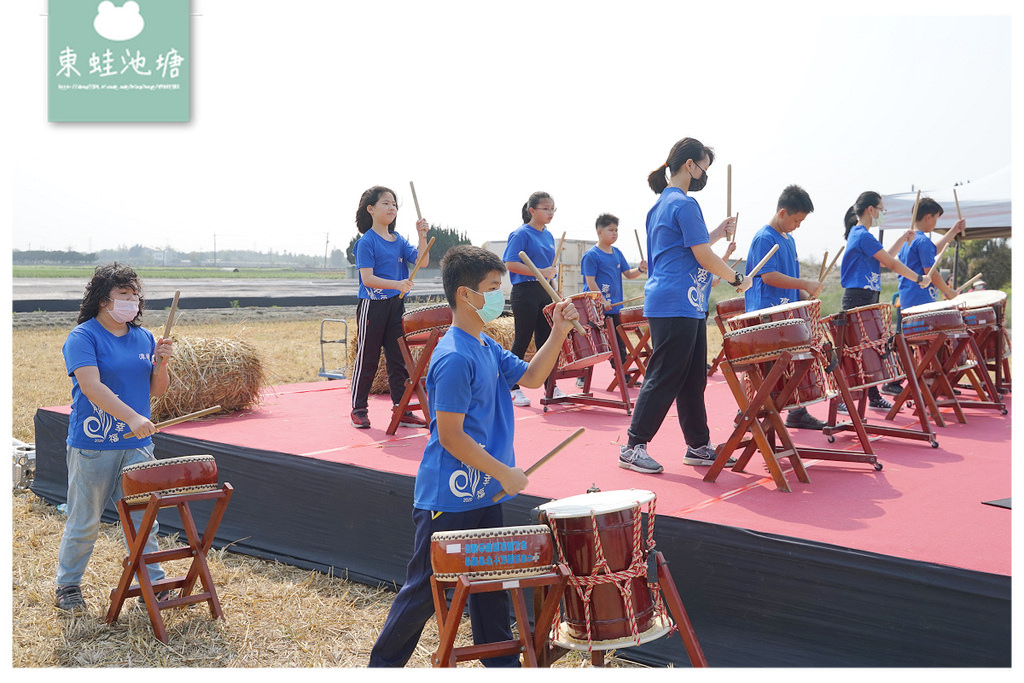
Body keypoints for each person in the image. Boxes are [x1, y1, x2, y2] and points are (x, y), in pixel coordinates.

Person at [368, 245, 579, 667]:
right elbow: (450, 436)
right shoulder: (453, 356)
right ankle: (381, 669)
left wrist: (557, 332)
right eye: (493, 288)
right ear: (466, 295)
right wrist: (506, 472)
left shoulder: (485, 345)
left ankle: (499, 665)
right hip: (449, 498)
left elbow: (534, 377)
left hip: (486, 494)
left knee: (492, 588)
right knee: (424, 594)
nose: (500, 297)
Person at [617, 137, 751, 474]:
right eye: (704, 168)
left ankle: (698, 445)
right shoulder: (685, 204)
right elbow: (701, 254)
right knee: (665, 375)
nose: (704, 175)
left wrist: (717, 233)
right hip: (677, 301)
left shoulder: (662, 204)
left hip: (682, 302)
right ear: (689, 165)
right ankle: (633, 446)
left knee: (693, 378)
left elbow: (683, 246)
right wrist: (736, 279)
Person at [56, 263, 174, 611]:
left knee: (143, 520)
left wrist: (162, 365)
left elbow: (157, 391)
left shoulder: (146, 338)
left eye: (135, 295)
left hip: (137, 445)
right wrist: (133, 417)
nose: (132, 302)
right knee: (85, 519)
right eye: (124, 295)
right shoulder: (83, 337)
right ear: (103, 301)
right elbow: (92, 387)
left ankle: (151, 581)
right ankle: (68, 585)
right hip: (93, 444)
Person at [744, 185, 827, 430]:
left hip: (786, 313)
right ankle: (748, 410)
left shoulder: (789, 239)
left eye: (801, 221)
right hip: (766, 314)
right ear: (782, 213)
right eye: (796, 220)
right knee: (766, 369)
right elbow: (768, 276)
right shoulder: (764, 237)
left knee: (794, 363)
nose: (798, 225)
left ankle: (797, 410)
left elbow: (789, 281)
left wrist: (804, 294)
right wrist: (805, 283)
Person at [838, 191, 928, 412]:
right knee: (856, 350)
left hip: (866, 296)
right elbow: (892, 263)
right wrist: (918, 278)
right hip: (858, 296)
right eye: (881, 209)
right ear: (871, 210)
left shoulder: (862, 235)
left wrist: (901, 239)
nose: (882, 214)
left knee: (867, 350)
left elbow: (885, 259)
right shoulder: (862, 235)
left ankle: (872, 395)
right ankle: (843, 398)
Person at [350, 185, 430, 429]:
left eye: (394, 204)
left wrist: (422, 235)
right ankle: (358, 408)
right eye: (386, 203)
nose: (391, 207)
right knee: (368, 357)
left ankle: (402, 408)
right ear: (371, 209)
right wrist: (398, 283)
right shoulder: (366, 242)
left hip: (396, 306)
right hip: (372, 306)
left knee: (398, 358)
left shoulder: (399, 240)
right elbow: (368, 279)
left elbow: (423, 261)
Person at [880, 197, 964, 395]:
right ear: (928, 217)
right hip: (921, 301)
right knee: (933, 343)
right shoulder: (923, 241)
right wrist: (948, 291)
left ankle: (924, 381)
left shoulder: (910, 241)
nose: (935, 223)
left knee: (912, 343)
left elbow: (933, 251)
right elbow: (931, 272)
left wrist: (953, 231)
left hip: (907, 299)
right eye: (935, 218)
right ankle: (934, 382)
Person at [502, 191, 566, 406]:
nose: (550, 213)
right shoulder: (521, 234)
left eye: (552, 209)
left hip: (545, 292)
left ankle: (550, 384)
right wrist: (540, 271)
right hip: (525, 292)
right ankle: (512, 387)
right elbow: (510, 263)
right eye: (546, 209)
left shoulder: (548, 235)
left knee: (546, 340)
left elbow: (549, 270)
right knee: (522, 338)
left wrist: (555, 290)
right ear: (532, 211)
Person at [580, 213, 647, 386]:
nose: (615, 233)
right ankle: (582, 376)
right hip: (595, 307)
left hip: (615, 308)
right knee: (592, 342)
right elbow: (590, 281)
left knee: (619, 342)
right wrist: (601, 300)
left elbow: (628, 274)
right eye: (611, 230)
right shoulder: (591, 255)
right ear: (599, 231)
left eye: (616, 230)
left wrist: (640, 269)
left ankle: (621, 374)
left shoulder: (617, 253)